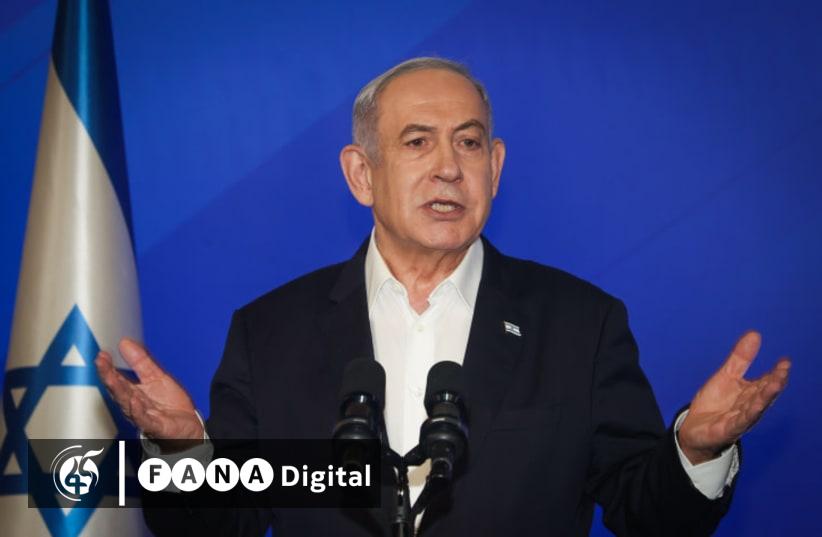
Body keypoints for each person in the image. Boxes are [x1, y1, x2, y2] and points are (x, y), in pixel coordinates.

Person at [96, 57, 791, 536]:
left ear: (496, 166)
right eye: (417, 142)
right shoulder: (271, 331)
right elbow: (220, 525)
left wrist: (695, 451)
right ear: (361, 174)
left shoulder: (580, 324)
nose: (449, 168)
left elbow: (650, 516)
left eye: (469, 143)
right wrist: (181, 452)